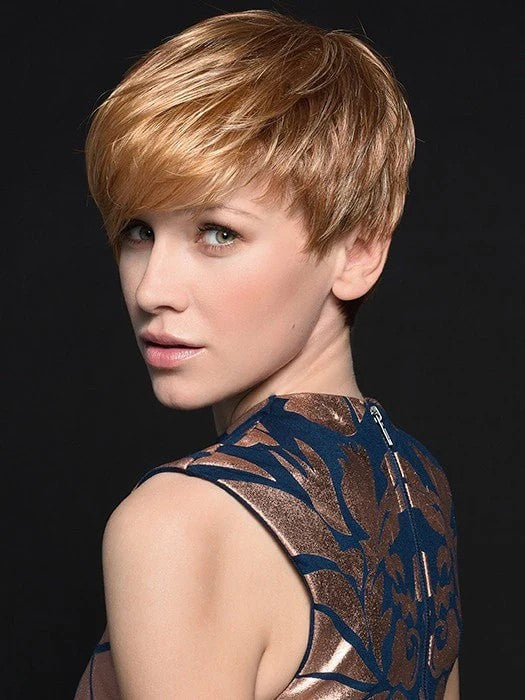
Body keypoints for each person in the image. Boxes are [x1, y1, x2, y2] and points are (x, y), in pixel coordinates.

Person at [74, 9, 461, 699]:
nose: (152, 289)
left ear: (356, 253)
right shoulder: (414, 482)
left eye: (217, 233)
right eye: (138, 230)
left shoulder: (179, 522)